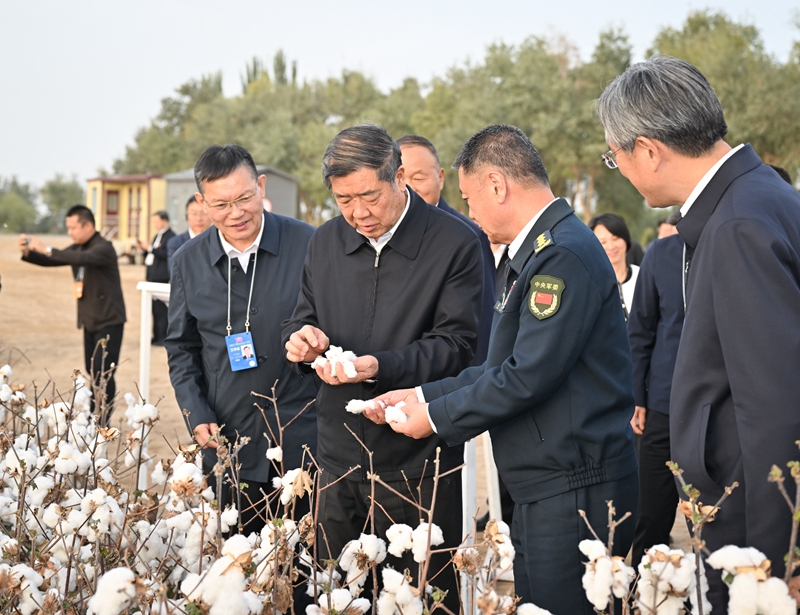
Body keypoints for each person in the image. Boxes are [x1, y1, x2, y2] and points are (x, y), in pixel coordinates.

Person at [368, 125, 638, 614]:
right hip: (548, 479)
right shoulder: (535, 253)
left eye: (469, 197)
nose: (468, 210)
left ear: (497, 185)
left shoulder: (561, 255)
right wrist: (421, 396)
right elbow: (501, 366)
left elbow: (526, 376)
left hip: (576, 482)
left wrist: (433, 419)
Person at [597, 56, 800, 611]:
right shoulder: (754, 199)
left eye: (613, 157)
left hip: (751, 526)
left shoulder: (737, 224)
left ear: (648, 149)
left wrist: (777, 559)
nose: (619, 168)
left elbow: (773, 401)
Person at [282, 124, 484, 609]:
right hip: (335, 456)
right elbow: (304, 315)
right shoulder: (326, 242)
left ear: (399, 178)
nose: (358, 213)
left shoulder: (455, 242)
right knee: (332, 594)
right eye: (343, 200)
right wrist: (303, 342)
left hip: (418, 455)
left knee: (421, 596)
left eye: (369, 196)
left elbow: (459, 345)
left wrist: (378, 366)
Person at [166, 143, 318, 533]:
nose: (235, 214)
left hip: (305, 437)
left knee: (308, 568)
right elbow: (182, 349)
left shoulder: (311, 245)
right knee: (240, 566)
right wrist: (196, 416)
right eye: (220, 204)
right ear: (202, 202)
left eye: (244, 198)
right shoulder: (187, 261)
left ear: (261, 186)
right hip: (230, 438)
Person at [19, 205, 126, 421]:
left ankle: (101, 419)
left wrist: (47, 247)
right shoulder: (79, 247)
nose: (70, 232)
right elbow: (57, 259)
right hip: (90, 320)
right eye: (67, 228)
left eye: (73, 227)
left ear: (88, 225)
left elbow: (80, 258)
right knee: (91, 370)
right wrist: (29, 252)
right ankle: (93, 415)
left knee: (102, 373)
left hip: (109, 320)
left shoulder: (103, 247)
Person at [397, 134, 496, 364]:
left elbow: (480, 324)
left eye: (419, 178)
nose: (409, 189)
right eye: (400, 178)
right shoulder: (381, 234)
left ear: (440, 178)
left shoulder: (468, 236)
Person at [626, 229, 684, 566]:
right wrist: (638, 397)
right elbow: (641, 328)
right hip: (661, 403)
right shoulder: (661, 254)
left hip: (720, 408)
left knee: (714, 516)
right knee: (650, 512)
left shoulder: (729, 245)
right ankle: (642, 593)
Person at [589, 213, 638, 321]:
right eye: (603, 242)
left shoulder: (643, 276)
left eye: (615, 238)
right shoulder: (589, 284)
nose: (611, 246)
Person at [138, 210, 174, 345]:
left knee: (162, 310)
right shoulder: (156, 236)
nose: (155, 224)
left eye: (157, 221)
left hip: (162, 278)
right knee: (153, 310)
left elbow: (166, 254)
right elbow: (152, 255)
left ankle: (163, 336)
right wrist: (144, 249)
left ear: (165, 221)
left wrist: (151, 248)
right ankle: (156, 335)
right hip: (152, 277)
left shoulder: (171, 237)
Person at [166, 195, 211, 271]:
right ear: (186, 216)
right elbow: (175, 273)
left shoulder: (221, 241)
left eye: (203, 213)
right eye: (194, 214)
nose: (199, 218)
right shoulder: (176, 243)